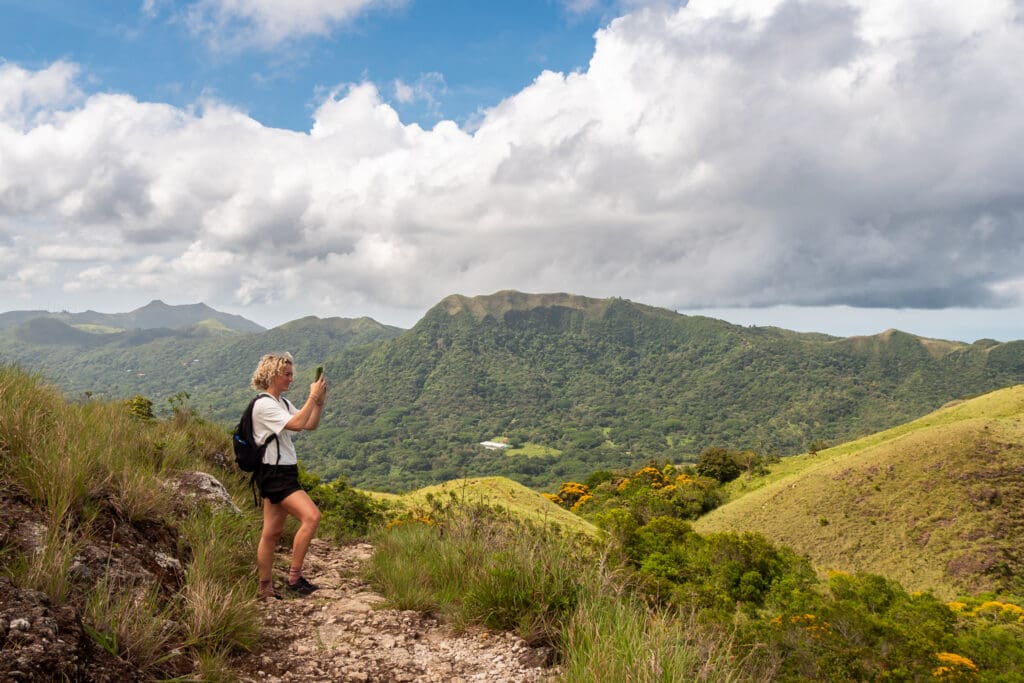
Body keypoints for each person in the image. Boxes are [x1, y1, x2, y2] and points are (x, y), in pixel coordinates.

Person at [250, 352, 327, 599]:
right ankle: (294, 579)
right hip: (275, 474)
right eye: (287, 374)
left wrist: (319, 403)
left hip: (283, 471)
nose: (291, 379)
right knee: (312, 516)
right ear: (273, 375)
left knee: (271, 533)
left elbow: (308, 424)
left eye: (291, 374)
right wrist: (312, 396)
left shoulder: (281, 403)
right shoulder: (264, 405)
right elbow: (294, 424)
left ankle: (265, 588)